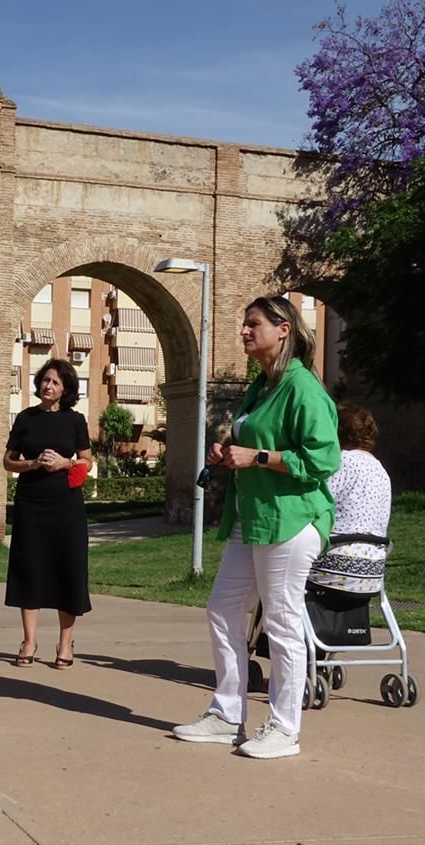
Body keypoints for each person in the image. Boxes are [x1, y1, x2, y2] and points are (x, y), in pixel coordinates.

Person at [172, 295, 339, 760]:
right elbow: (250, 440)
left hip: (290, 519)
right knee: (223, 608)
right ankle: (227, 715)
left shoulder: (302, 387)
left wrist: (258, 457)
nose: (244, 331)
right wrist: (228, 451)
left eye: (254, 324)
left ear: (283, 329)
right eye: (244, 324)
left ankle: (285, 728)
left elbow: (324, 459)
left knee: (282, 622)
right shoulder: (263, 385)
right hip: (253, 517)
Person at [3, 359, 93, 669]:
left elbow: (87, 461)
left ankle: (65, 643)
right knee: (30, 568)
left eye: (55, 382)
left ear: (66, 388)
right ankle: (29, 640)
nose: (48, 386)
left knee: (68, 568)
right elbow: (8, 461)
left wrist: (65, 463)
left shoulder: (75, 420)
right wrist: (33, 464)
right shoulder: (26, 418)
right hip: (31, 503)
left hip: (66, 505)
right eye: (45, 380)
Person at [309, 403, 392, 595]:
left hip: (335, 566)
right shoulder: (380, 469)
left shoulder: (338, 462)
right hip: (372, 571)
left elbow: (313, 507)